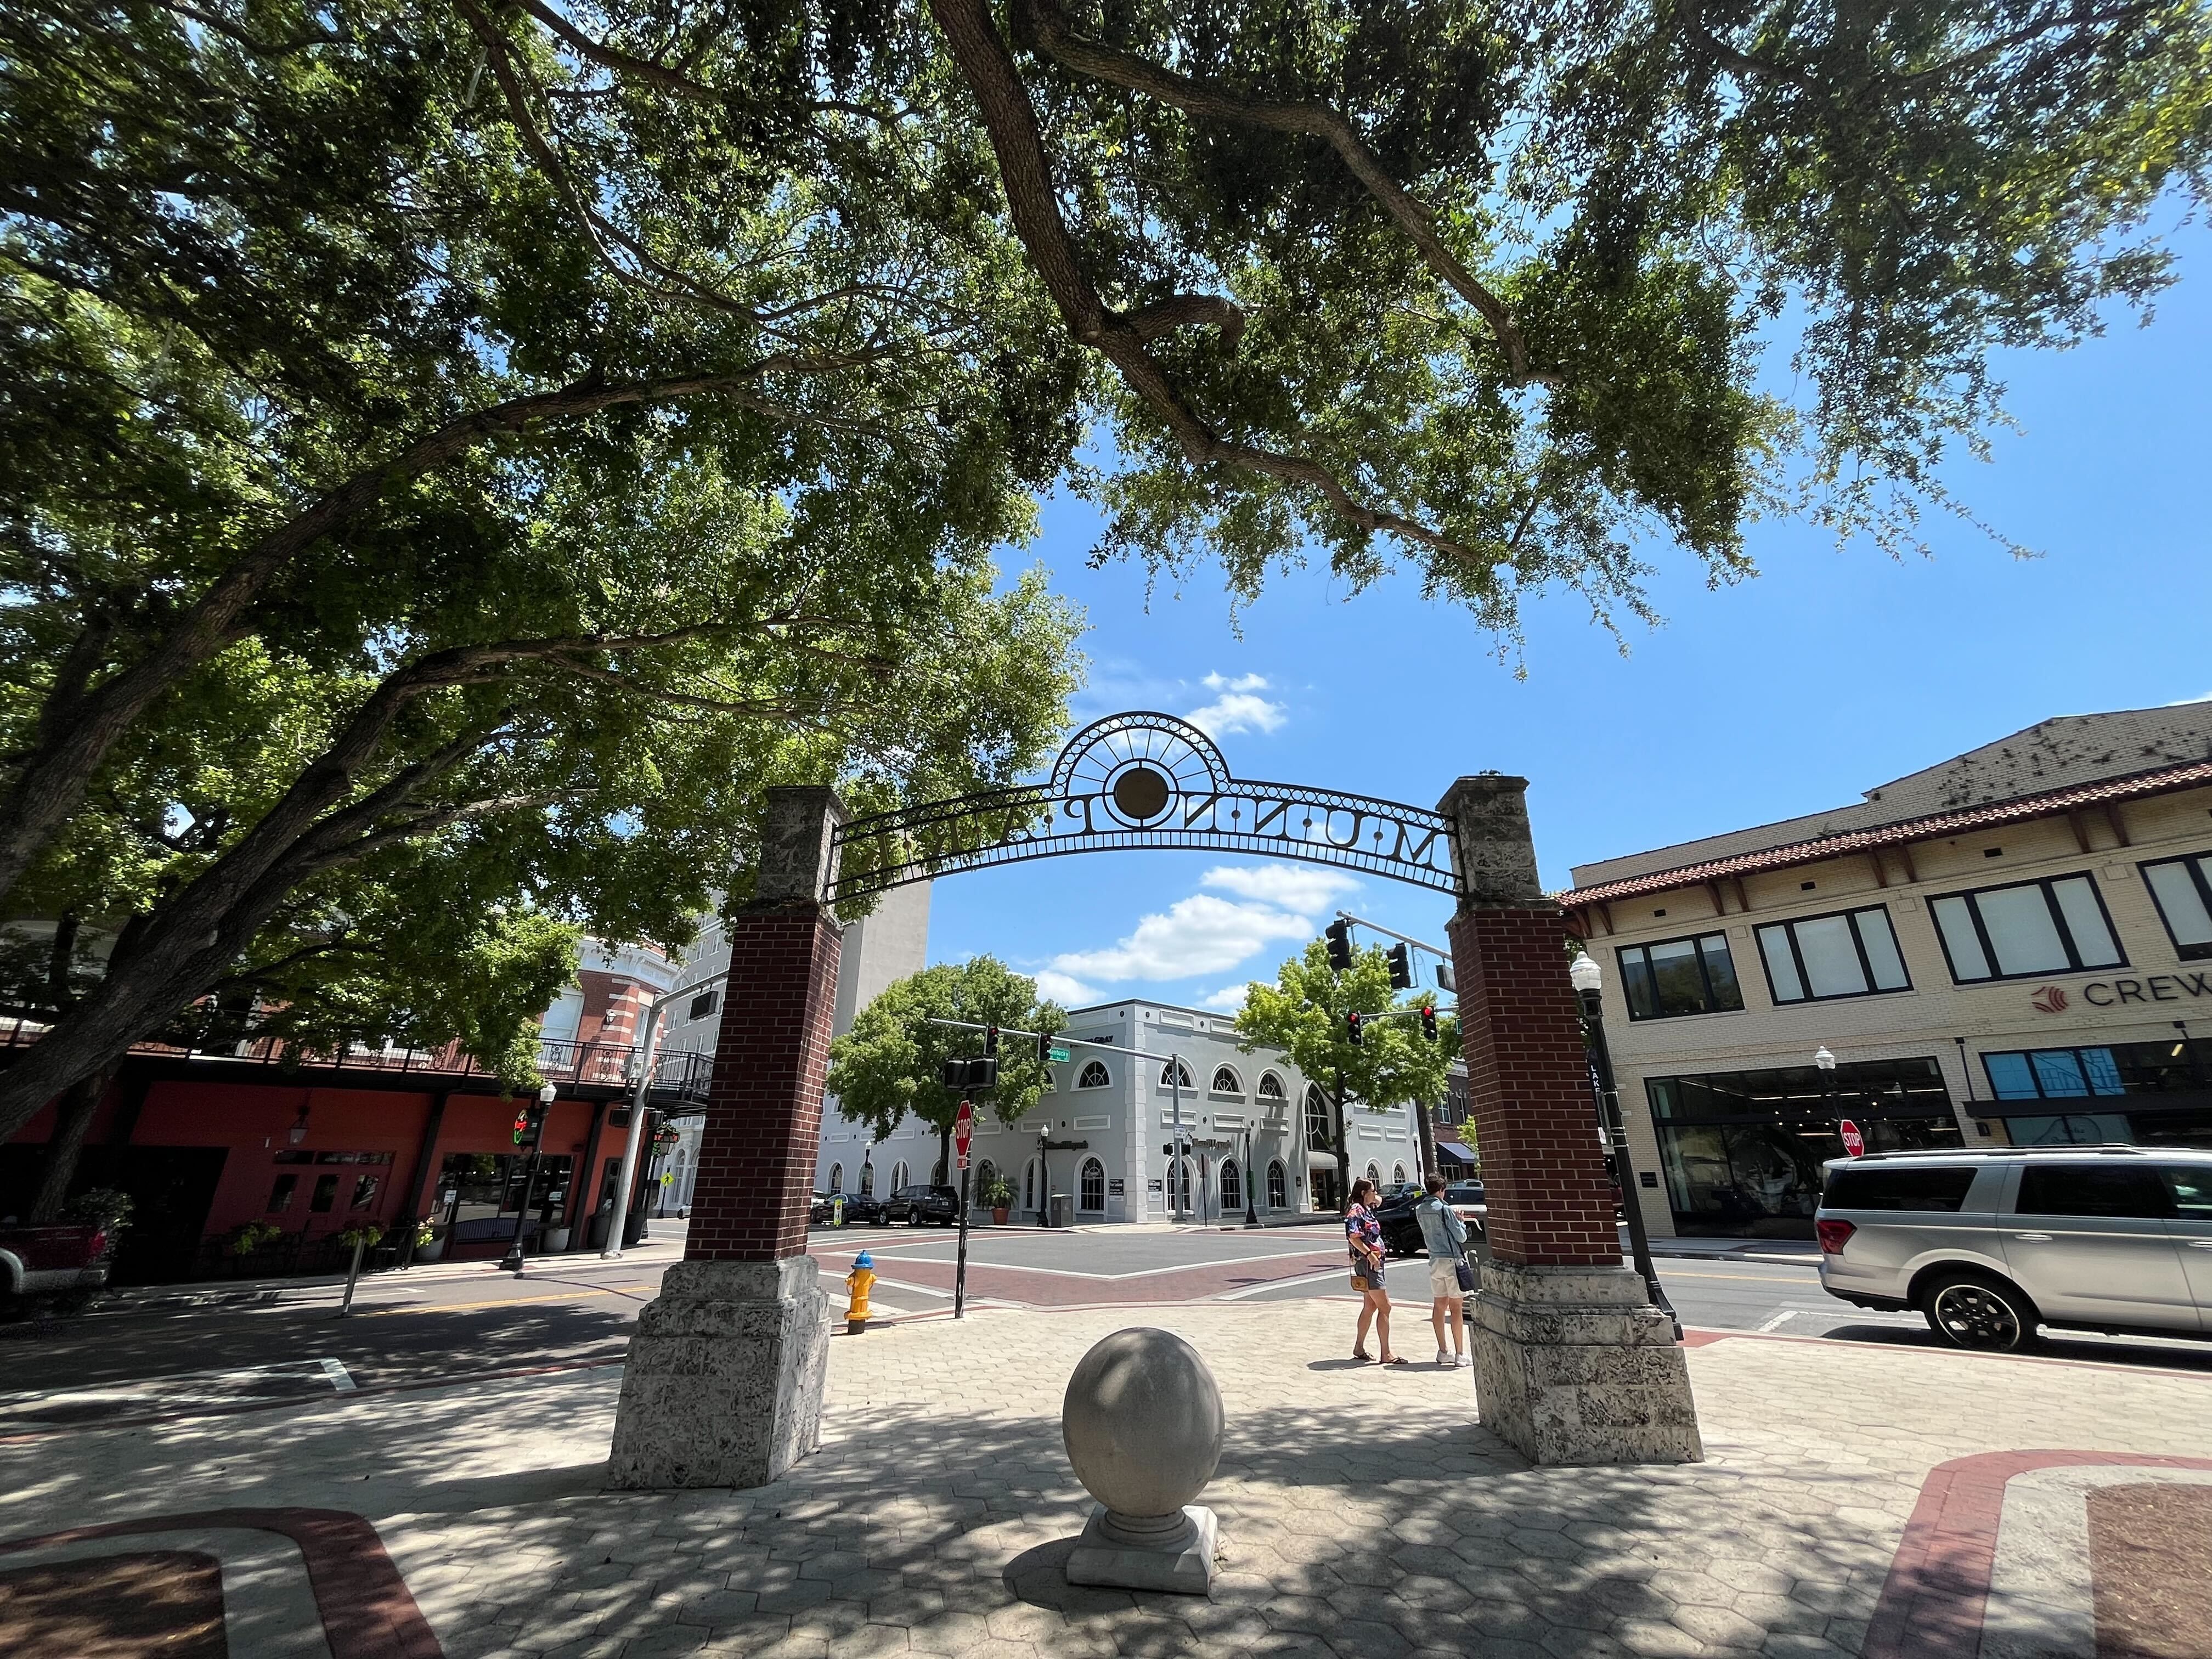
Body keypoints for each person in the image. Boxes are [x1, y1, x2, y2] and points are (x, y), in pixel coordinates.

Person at [1344, 1177, 1406, 1364]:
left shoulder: (1367, 1208)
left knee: (1370, 1306)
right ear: (1364, 1193)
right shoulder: (1356, 1211)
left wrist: (1374, 1196)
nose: (1376, 1194)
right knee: (1385, 1306)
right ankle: (1386, 1353)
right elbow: (1353, 1237)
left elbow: (1379, 1200)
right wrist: (1370, 1253)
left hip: (1375, 1263)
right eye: (1373, 1190)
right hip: (1369, 1263)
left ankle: (1359, 1347)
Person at [1414, 1173, 1471, 1367]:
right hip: (1451, 1259)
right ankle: (1461, 1353)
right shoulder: (1444, 1209)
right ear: (1441, 1190)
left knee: (1439, 1305)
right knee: (1456, 1307)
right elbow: (1461, 1237)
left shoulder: (1420, 1209)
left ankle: (1443, 1350)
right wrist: (1461, 1221)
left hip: (1434, 1259)